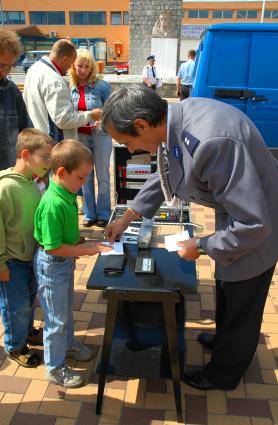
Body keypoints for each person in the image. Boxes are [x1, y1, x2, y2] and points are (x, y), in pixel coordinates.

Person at [101, 86, 278, 391]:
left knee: (241, 304)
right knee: (227, 287)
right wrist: (128, 216)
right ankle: (225, 341)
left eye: (127, 142)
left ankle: (223, 375)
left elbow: (253, 226)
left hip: (257, 226)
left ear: (142, 124)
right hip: (237, 215)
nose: (129, 150)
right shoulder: (175, 120)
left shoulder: (211, 141)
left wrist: (203, 245)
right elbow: (167, 172)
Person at [34, 140, 111, 387]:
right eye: (81, 177)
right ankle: (55, 368)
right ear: (61, 173)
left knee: (65, 310)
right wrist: (86, 249)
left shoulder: (66, 192)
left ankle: (67, 345)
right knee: (56, 319)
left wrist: (78, 239)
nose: (85, 182)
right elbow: (52, 246)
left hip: (62, 263)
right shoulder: (53, 203)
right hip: (52, 264)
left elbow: (63, 235)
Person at [0, 128, 54, 367]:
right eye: (45, 157)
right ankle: (15, 346)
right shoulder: (5, 188)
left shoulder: (34, 181)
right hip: (11, 260)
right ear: (25, 154)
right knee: (15, 306)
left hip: (30, 255)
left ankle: (28, 331)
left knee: (29, 299)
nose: (49, 163)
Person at [23, 39, 102, 142]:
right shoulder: (55, 80)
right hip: (53, 142)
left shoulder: (34, 68)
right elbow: (64, 120)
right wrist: (90, 115)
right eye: (71, 63)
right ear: (65, 59)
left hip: (36, 136)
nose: (70, 67)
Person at [69, 49, 112, 228]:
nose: (83, 70)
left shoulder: (101, 86)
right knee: (84, 176)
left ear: (92, 67)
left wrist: (101, 120)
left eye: (87, 66)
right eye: (79, 66)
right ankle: (89, 213)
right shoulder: (69, 87)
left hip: (101, 135)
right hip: (80, 137)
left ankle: (103, 213)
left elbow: (112, 110)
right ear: (73, 66)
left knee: (102, 175)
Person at [0, 29, 30, 170]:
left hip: (9, 176)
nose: (4, 72)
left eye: (9, 67)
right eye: (1, 65)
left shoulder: (12, 91)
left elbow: (26, 132)